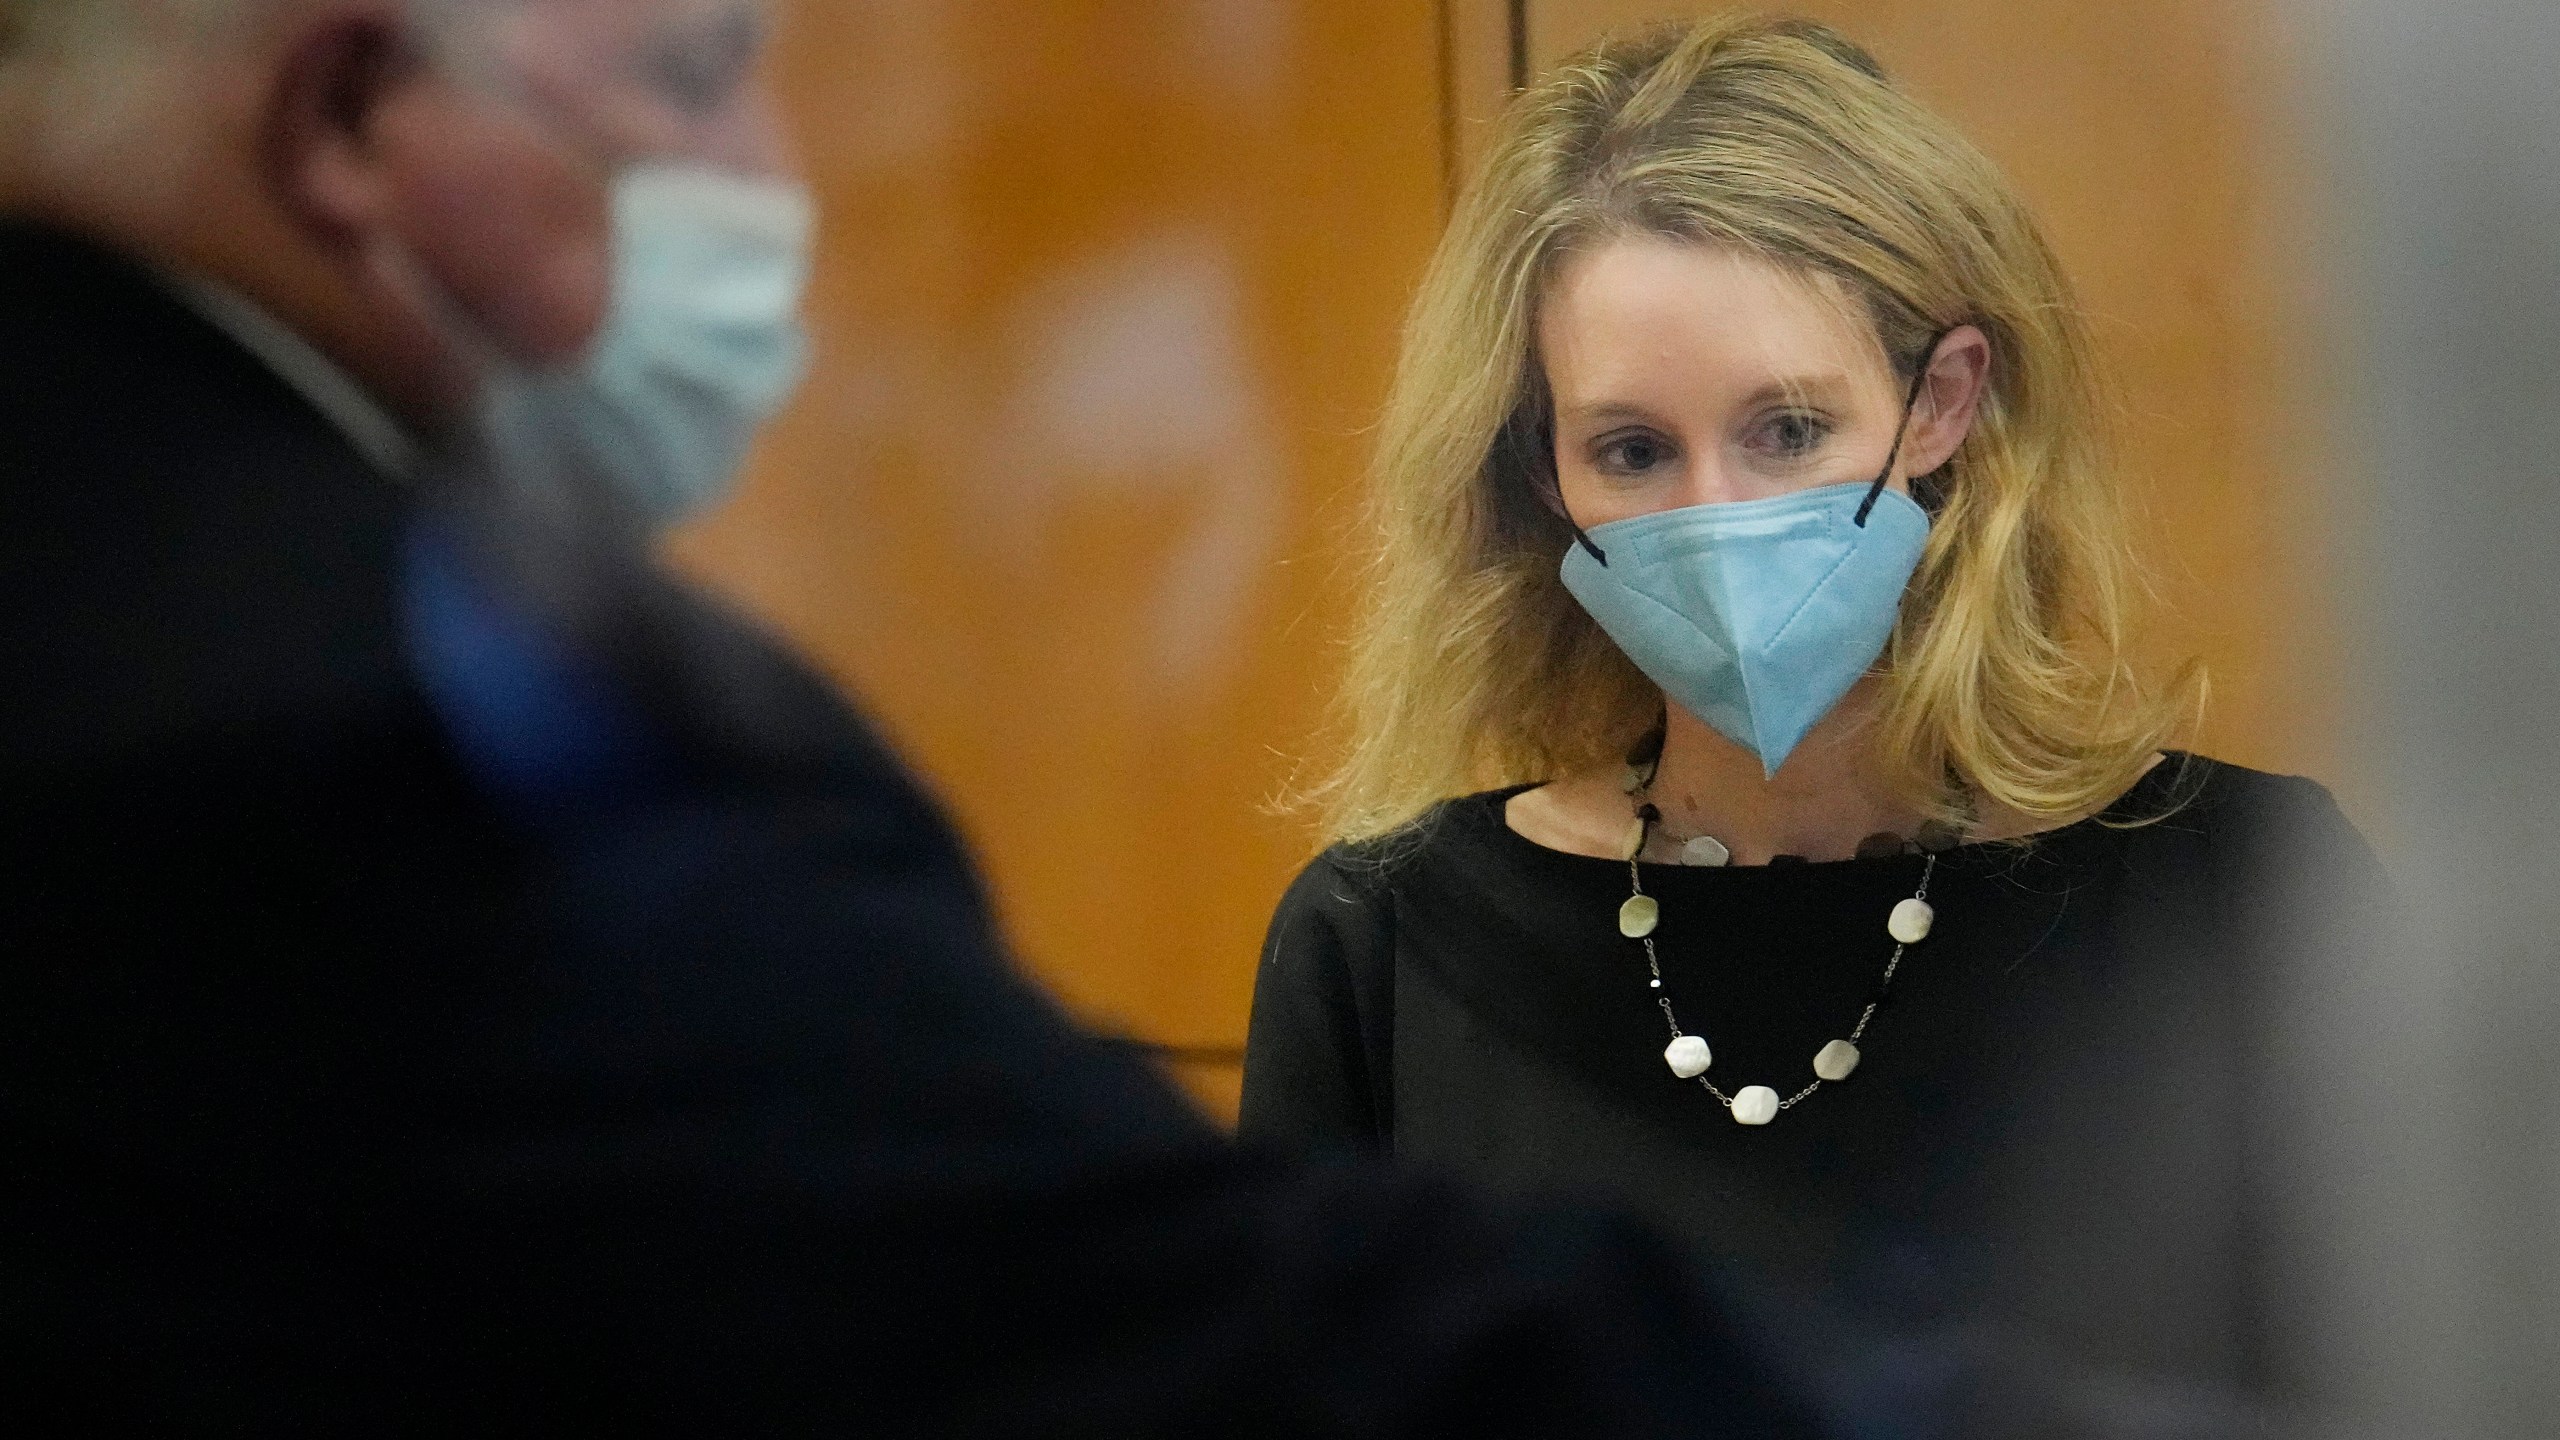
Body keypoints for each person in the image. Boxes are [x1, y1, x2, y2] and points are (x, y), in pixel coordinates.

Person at [0, 0, 1823, 1431]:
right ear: (345, 118)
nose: (778, 179)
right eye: (697, 75)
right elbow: (1169, 1332)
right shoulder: (423, 733)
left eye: (1790, 430)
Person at [1241, 16, 2379, 1434]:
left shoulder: (2247, 896)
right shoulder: (1386, 952)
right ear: (1545, 472)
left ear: (1940, 403)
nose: (1715, 518)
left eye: (1785, 431)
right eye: (1634, 450)